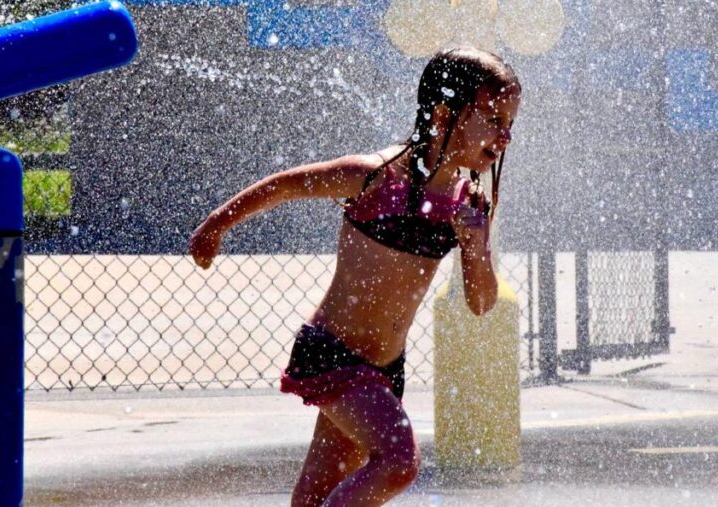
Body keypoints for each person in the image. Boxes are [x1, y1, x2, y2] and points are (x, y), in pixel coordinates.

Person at [188, 45, 520, 506]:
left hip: (384, 370)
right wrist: (216, 226)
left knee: (315, 495)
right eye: (494, 120)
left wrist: (474, 242)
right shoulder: (376, 178)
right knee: (399, 461)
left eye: (509, 125)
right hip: (334, 353)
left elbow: (482, 303)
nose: (504, 136)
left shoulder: (468, 207)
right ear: (445, 114)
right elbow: (286, 185)